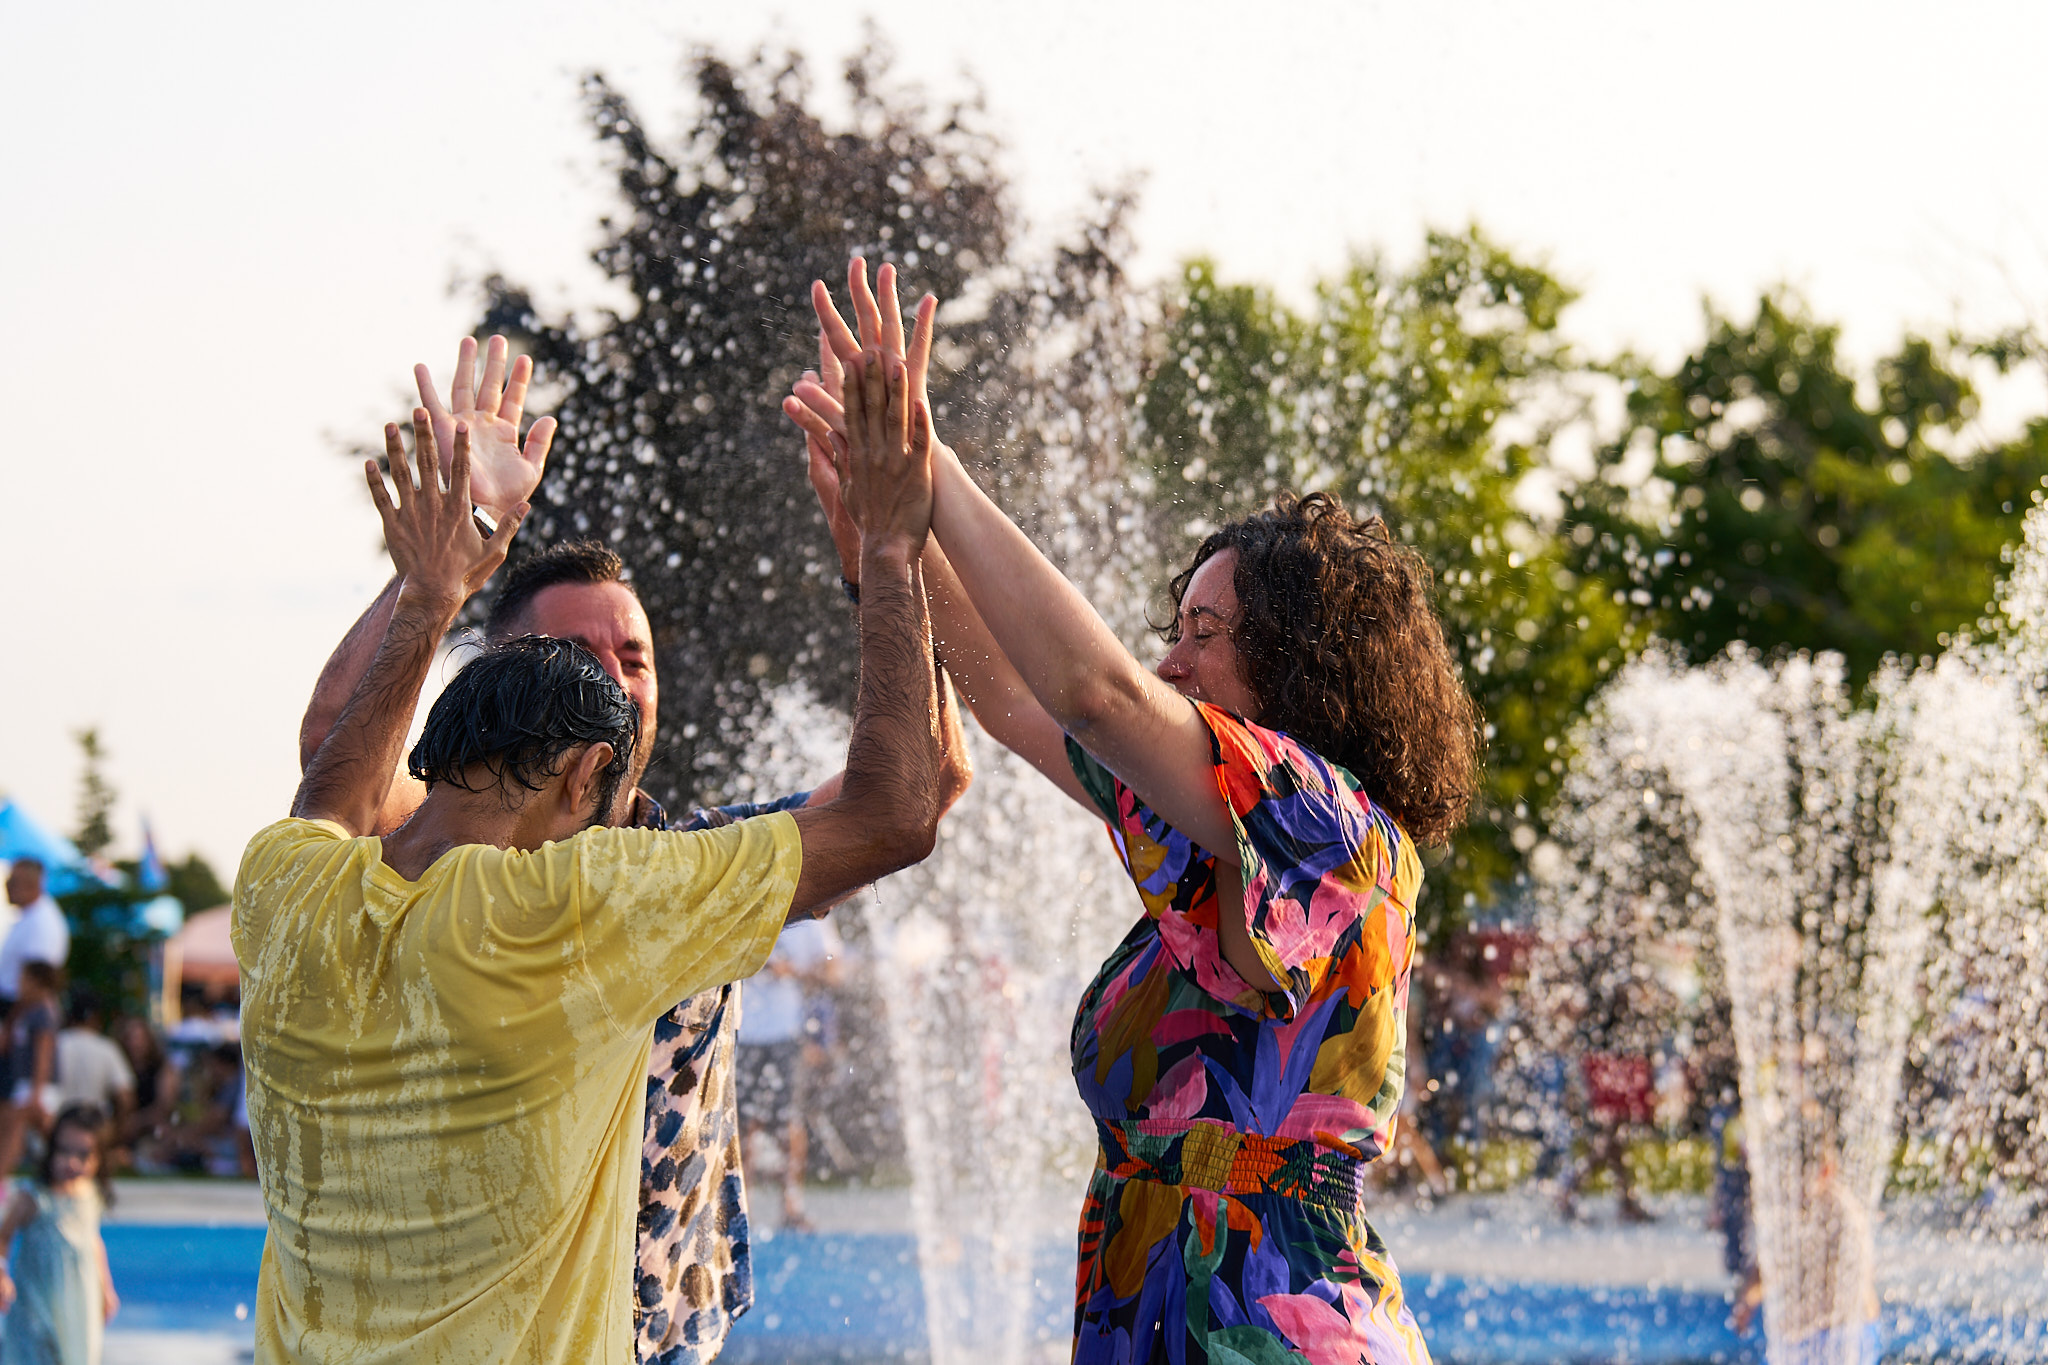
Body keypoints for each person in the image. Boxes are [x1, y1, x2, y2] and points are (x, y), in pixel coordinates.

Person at [786, 261, 1480, 1364]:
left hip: (1272, 1327)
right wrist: (883, 545)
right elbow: (1014, 698)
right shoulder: (1226, 841)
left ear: (1305, 662)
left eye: (1206, 633)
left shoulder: (1331, 829)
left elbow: (1096, 695)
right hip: (1163, 1300)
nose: (1172, 657)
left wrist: (937, 472)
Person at [238, 367, 946, 1362]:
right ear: (583, 770)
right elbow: (899, 810)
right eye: (577, 658)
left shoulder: (285, 878)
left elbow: (336, 783)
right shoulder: (595, 898)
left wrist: (436, 583)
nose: (615, 678)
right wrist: (888, 544)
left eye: (633, 656)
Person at [734, 916, 843, 1230]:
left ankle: (792, 1206)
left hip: (786, 1032)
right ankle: (742, 1206)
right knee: (742, 1124)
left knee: (790, 1121)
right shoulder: (749, 904)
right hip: (745, 1031)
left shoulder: (813, 916)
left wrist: (793, 970)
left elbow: (834, 971)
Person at [0, 1102, 119, 1365]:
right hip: (36, 1304)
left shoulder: (90, 1194)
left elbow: (92, 1241)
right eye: (63, 1151)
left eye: (84, 1154)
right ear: (51, 1148)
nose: (71, 1162)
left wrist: (106, 1288)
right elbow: (3, 1236)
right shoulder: (34, 1197)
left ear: (99, 1158)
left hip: (79, 1301)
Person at [0, 963, 66, 1178]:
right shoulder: (26, 1011)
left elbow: (43, 1054)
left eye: (24, 979)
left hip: (38, 1084)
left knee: (16, 1126)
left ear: (37, 982)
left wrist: (37, 1092)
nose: (19, 985)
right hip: (25, 1083)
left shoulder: (43, 1012)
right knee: (26, 1129)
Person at [52, 992, 134, 1138]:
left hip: (57, 1127)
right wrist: (117, 1134)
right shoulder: (107, 1048)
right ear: (96, 1017)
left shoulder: (56, 1044)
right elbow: (125, 1098)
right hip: (94, 1131)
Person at [0, 861, 69, 1014]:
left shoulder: (42, 923)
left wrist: (10, 1025)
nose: (6, 885)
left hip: (18, 1011)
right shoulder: (30, 915)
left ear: (31, 884)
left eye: (13, 881)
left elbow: (38, 984)